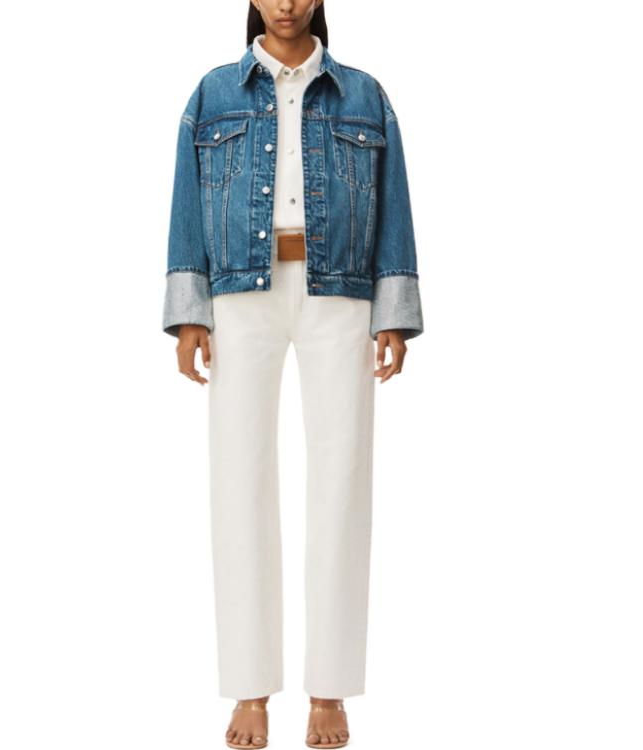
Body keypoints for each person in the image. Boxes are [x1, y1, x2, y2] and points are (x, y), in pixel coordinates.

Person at [162, 1, 424, 747]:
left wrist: (394, 311)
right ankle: (249, 688)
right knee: (239, 480)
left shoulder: (364, 93)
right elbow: (186, 204)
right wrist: (188, 311)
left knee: (342, 481)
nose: (285, 3)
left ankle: (329, 689)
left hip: (339, 293)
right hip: (238, 296)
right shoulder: (212, 92)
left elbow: (395, 205)